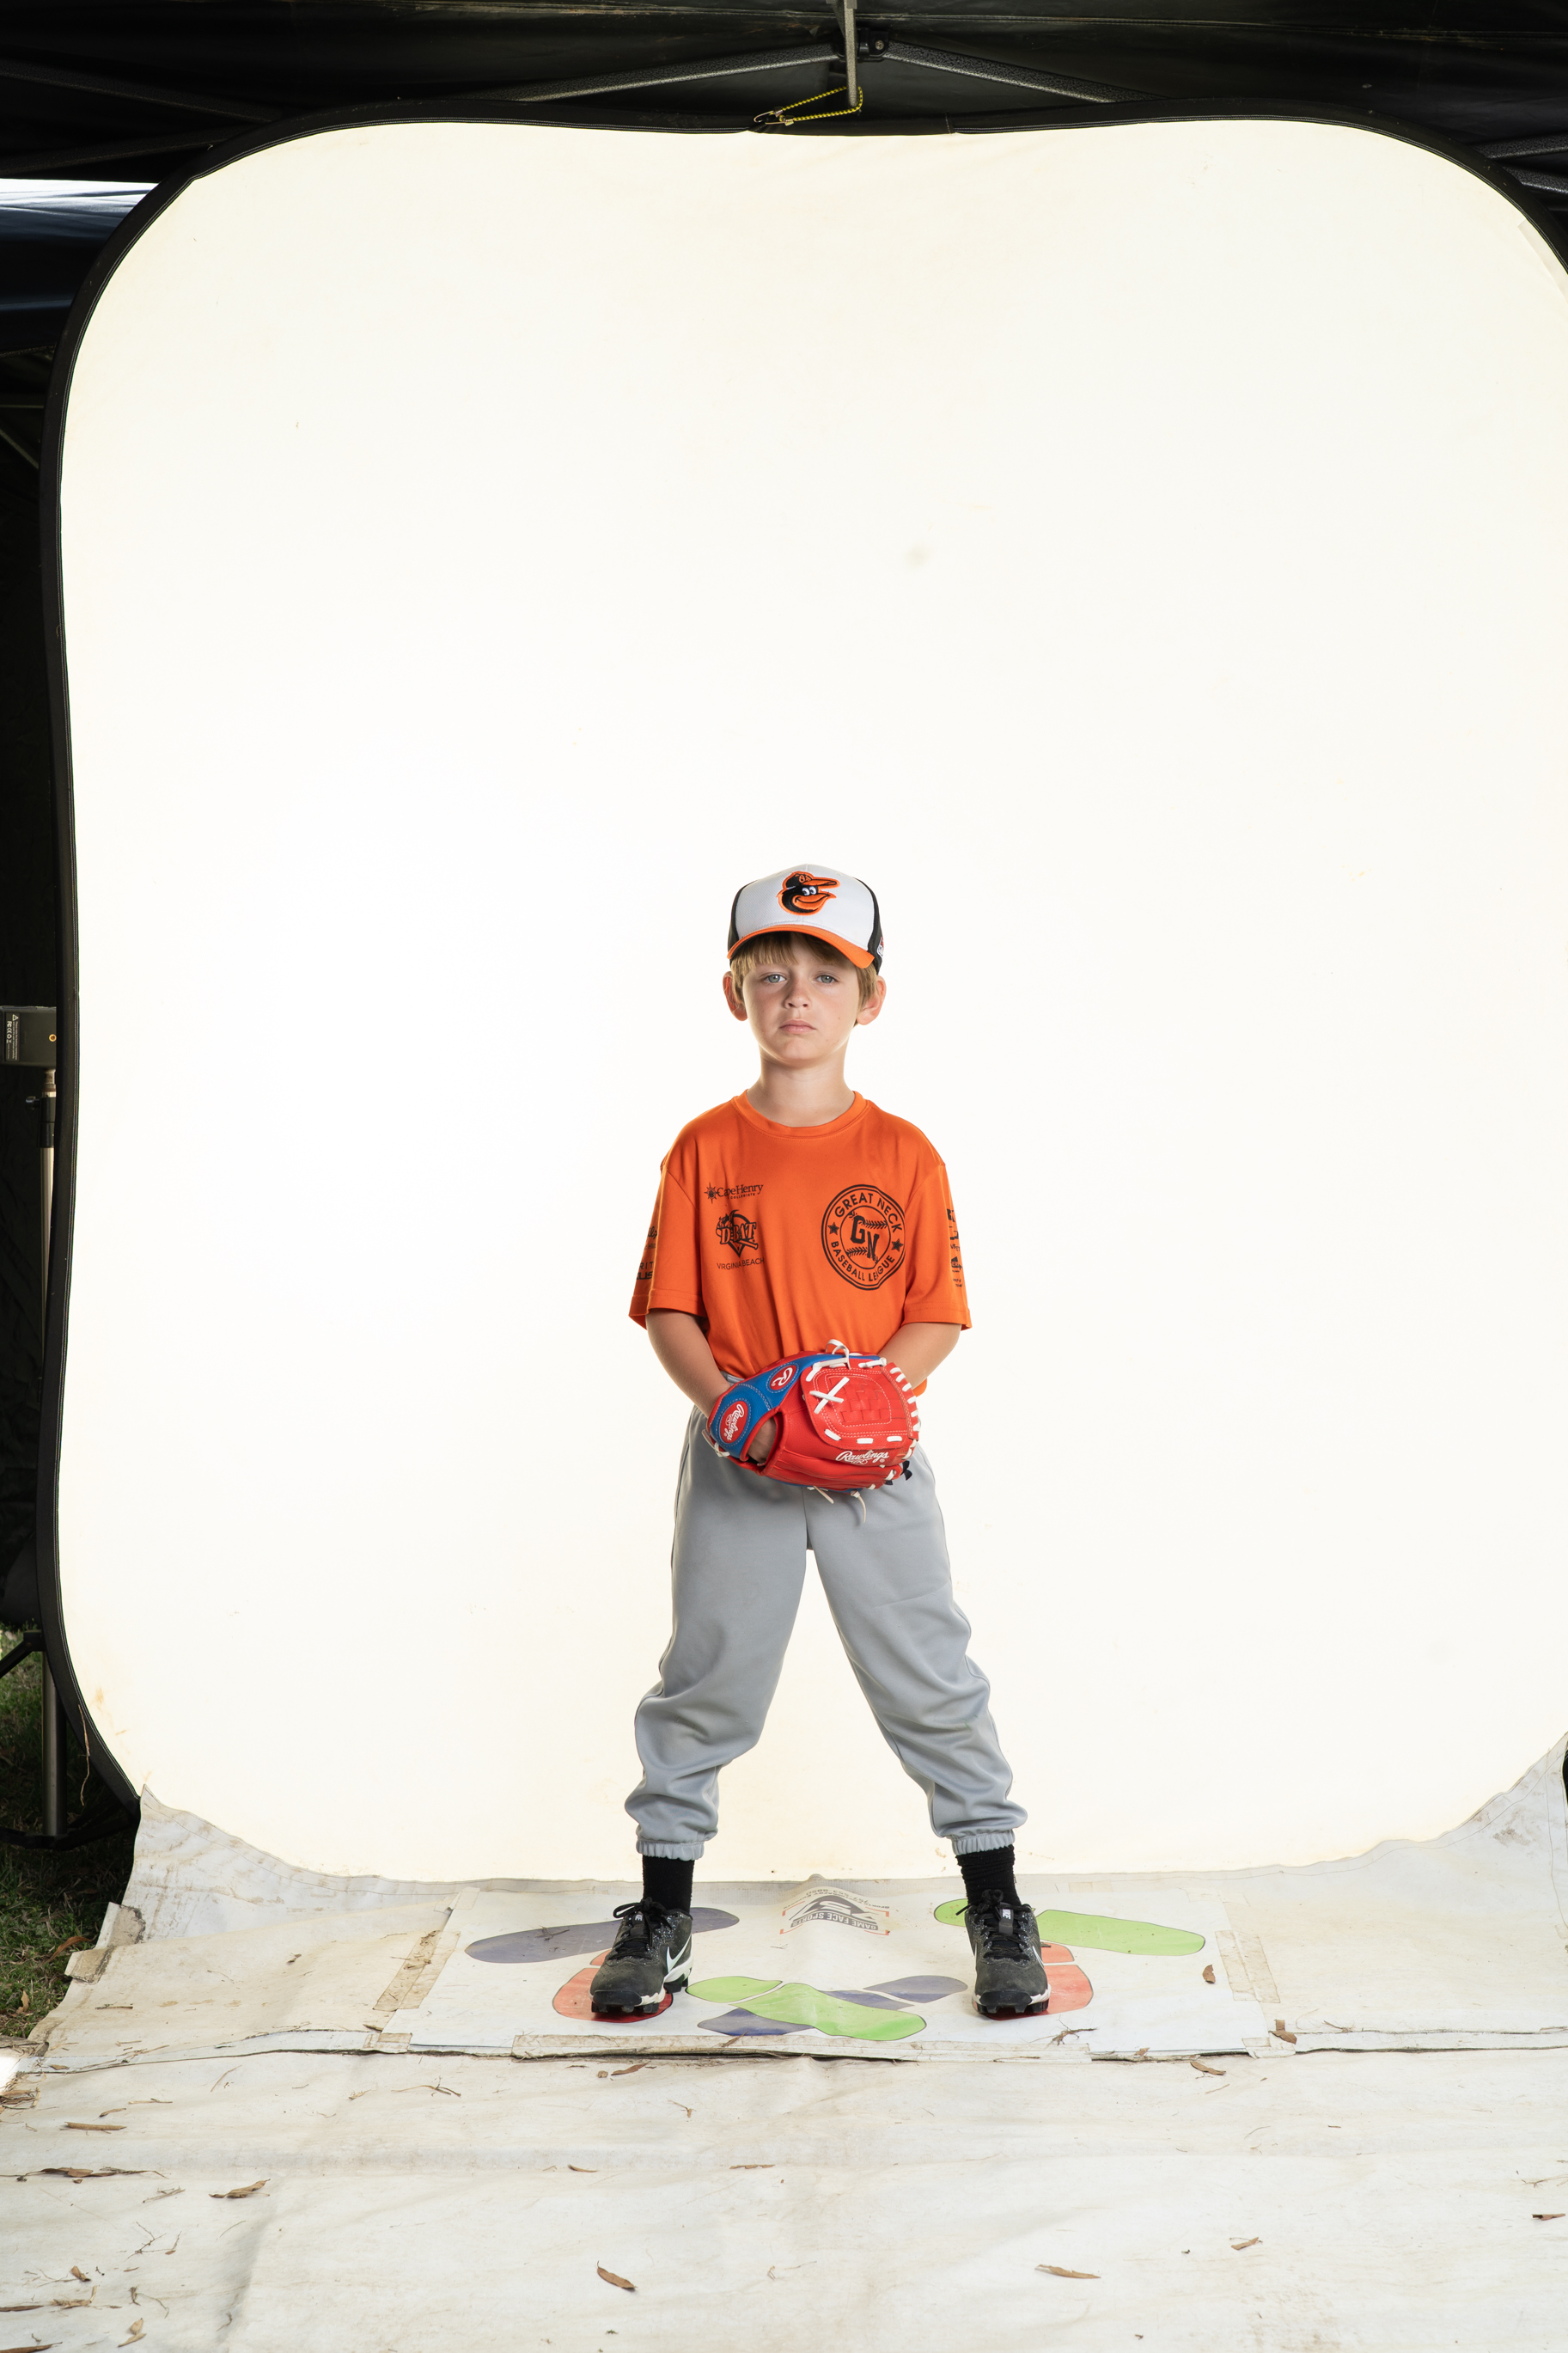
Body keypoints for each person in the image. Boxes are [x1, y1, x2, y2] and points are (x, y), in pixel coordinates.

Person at [589, 865, 1044, 2021]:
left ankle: (996, 1901)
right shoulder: (703, 1149)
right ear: (733, 992)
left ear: (869, 998)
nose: (797, 995)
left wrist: (864, 1400)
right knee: (706, 1676)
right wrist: (729, 1409)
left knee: (930, 1674)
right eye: (772, 973)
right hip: (740, 1460)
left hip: (869, 1469)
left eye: (826, 975)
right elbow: (671, 1312)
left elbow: (935, 1313)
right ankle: (661, 1910)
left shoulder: (903, 1153)